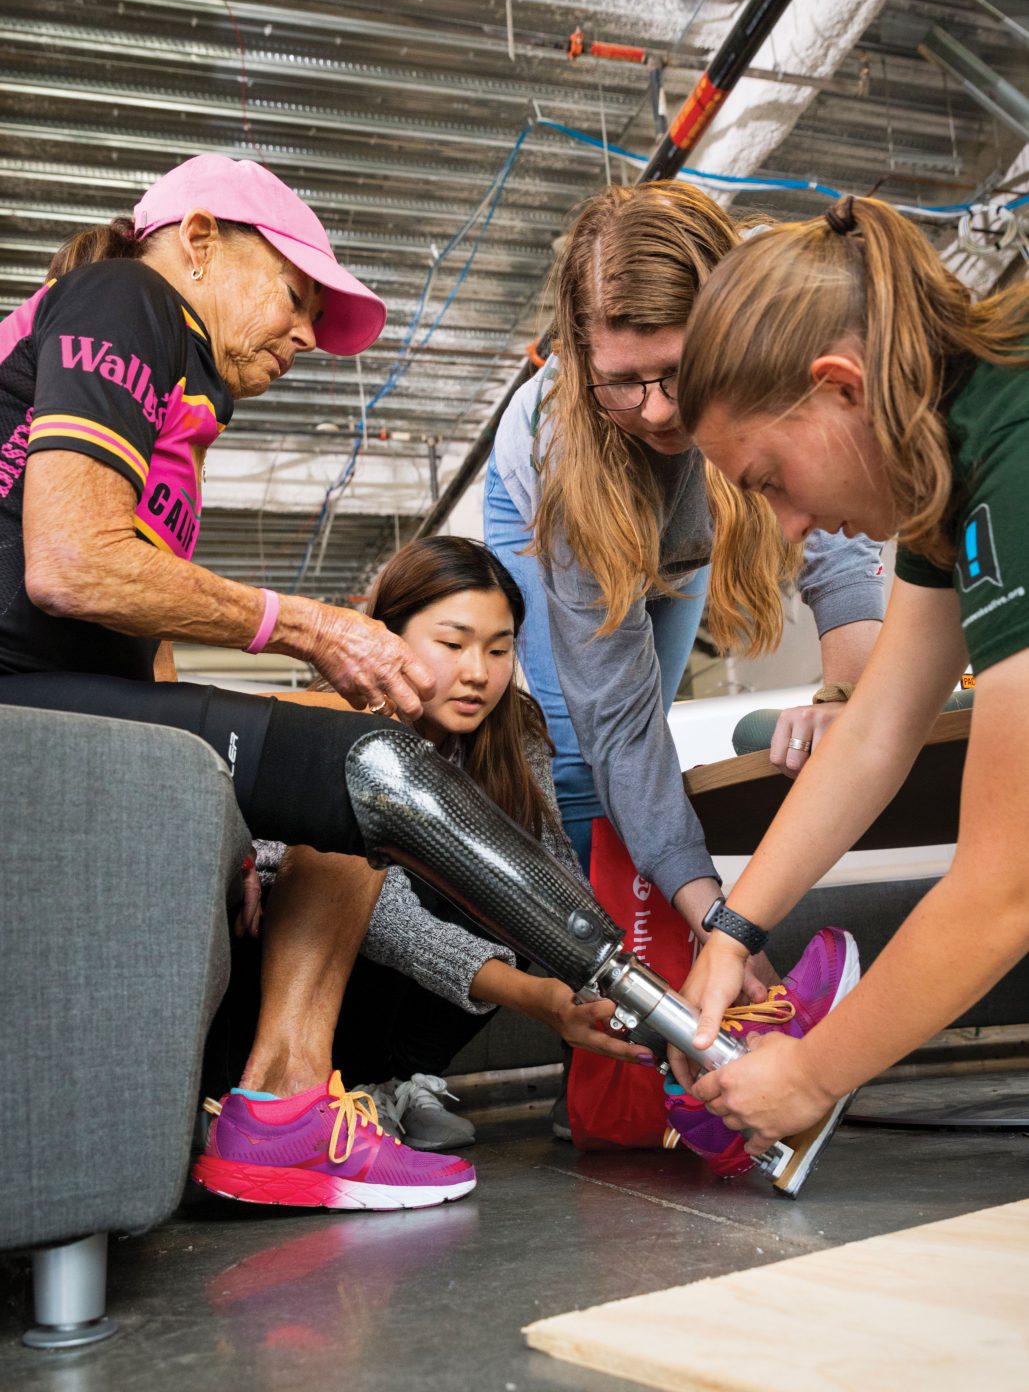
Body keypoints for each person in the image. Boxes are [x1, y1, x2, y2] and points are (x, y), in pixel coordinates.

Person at [0, 153, 477, 1211]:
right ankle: (283, 1113)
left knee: (328, 761)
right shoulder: (128, 296)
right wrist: (304, 625)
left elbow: (138, 630)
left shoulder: (171, 392)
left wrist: (218, 807)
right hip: (16, 697)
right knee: (365, 758)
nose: (307, 332)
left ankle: (280, 1108)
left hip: (55, 695)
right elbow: (70, 563)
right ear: (200, 238)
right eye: (296, 294)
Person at [670, 193, 1029, 1156]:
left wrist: (816, 1072)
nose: (785, 529)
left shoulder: (1018, 446)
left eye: (768, 481)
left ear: (840, 387)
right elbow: (874, 729)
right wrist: (733, 932)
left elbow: (1009, 885)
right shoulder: (950, 471)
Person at [484, 181, 886, 954]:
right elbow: (619, 721)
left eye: (673, 370)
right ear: (581, 362)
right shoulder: (568, 450)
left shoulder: (779, 325)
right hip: (570, 500)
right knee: (579, 752)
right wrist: (719, 921)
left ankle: (689, 941)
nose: (658, 410)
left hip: (683, 517)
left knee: (650, 731)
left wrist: (846, 699)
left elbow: (839, 545)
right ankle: (608, 972)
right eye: (622, 379)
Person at [248, 537, 652, 1152]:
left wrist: (633, 999)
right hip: (301, 982)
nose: (478, 673)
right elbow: (377, 916)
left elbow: (554, 880)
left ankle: (392, 1085)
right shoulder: (330, 726)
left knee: (523, 896)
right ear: (388, 637)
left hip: (414, 1005)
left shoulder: (515, 738)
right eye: (452, 643)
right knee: (433, 876)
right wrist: (530, 995)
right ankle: (306, 1090)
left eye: (499, 649)